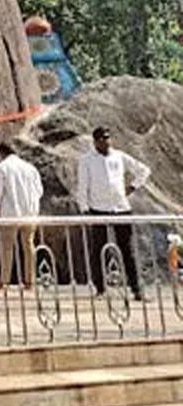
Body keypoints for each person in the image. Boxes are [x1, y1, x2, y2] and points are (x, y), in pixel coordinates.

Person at [76, 126, 151, 299]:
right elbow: (83, 186)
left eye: (108, 138)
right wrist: (84, 209)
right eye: (102, 139)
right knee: (98, 250)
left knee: (127, 250)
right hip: (98, 209)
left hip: (121, 207)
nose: (106, 142)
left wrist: (132, 186)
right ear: (95, 142)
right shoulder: (87, 160)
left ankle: (136, 289)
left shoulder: (119, 156)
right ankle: (100, 288)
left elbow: (144, 171)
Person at [0, 142, 43, 287]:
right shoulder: (30, 168)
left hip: (10, 213)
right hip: (30, 212)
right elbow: (39, 191)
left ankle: (4, 280)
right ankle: (30, 280)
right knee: (28, 245)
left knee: (7, 246)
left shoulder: (2, 168)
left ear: (1, 153)